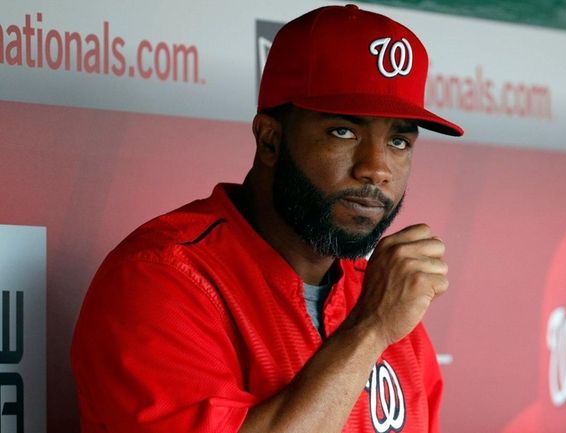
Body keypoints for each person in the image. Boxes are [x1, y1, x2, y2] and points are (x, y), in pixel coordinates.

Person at [70, 4, 463, 433]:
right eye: (344, 132)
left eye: (399, 141)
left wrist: (374, 318)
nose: (377, 168)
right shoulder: (163, 279)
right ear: (269, 139)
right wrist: (369, 331)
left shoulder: (379, 294)